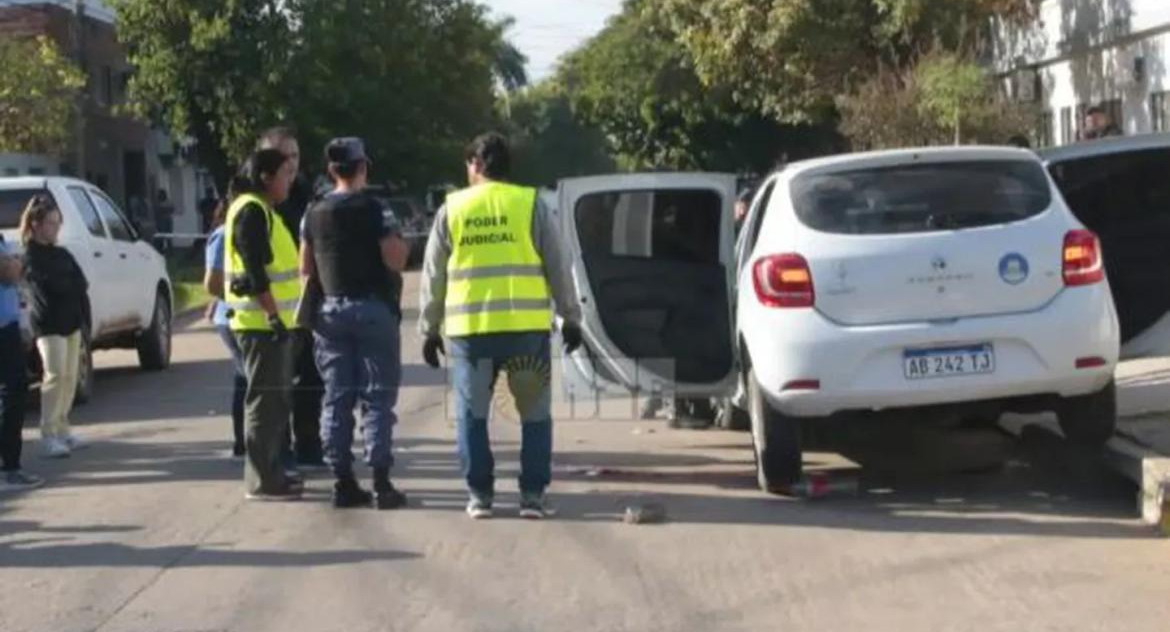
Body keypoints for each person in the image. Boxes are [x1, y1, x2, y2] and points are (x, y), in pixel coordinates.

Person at [419, 132, 583, 520]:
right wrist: (570, 317)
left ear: (476, 165)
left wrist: (428, 328)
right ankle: (532, 497)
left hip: (470, 333)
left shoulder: (453, 208)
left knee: (472, 415)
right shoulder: (530, 205)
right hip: (525, 330)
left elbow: (433, 274)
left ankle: (480, 495)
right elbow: (558, 265)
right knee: (534, 415)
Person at [301, 138, 410, 510]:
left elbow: (305, 269)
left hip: (329, 312)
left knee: (337, 397)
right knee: (377, 398)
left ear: (332, 171)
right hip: (373, 309)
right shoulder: (377, 210)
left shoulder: (312, 212)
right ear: (363, 167)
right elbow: (394, 260)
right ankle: (381, 482)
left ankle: (342, 480)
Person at [224, 149, 302, 501]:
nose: (290, 180)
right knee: (264, 401)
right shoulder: (251, 211)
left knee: (275, 402)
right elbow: (254, 272)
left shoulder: (262, 210)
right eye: (285, 173)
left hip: (270, 322)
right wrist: (272, 315)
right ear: (266, 177)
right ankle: (261, 479)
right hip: (260, 324)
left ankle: (271, 472)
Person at [257, 127, 326, 470]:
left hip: (305, 302)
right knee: (277, 383)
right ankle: (278, 450)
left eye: (296, 156)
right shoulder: (257, 202)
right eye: (286, 157)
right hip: (269, 307)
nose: (293, 165)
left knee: (311, 379)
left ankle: (310, 445)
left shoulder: (309, 194)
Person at [21, 194, 89, 459]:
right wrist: (68, 287)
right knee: (55, 375)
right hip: (49, 325)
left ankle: (63, 427)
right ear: (36, 224)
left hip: (72, 322)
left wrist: (81, 314)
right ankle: (48, 432)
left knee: (71, 375)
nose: (56, 227)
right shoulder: (31, 255)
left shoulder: (62, 253)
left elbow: (80, 282)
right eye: (51, 222)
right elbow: (48, 287)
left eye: (58, 222)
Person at [203, 189, 247, 458]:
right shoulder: (224, 235)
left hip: (236, 314)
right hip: (233, 317)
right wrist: (228, 296)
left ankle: (243, 442)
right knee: (247, 377)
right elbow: (212, 282)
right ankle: (242, 442)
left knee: (246, 377)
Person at [0, 232, 41, 489]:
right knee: (12, 394)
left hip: (9, 324)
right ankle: (9, 469)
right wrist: (15, 263)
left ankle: (10, 466)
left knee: (12, 393)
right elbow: (10, 273)